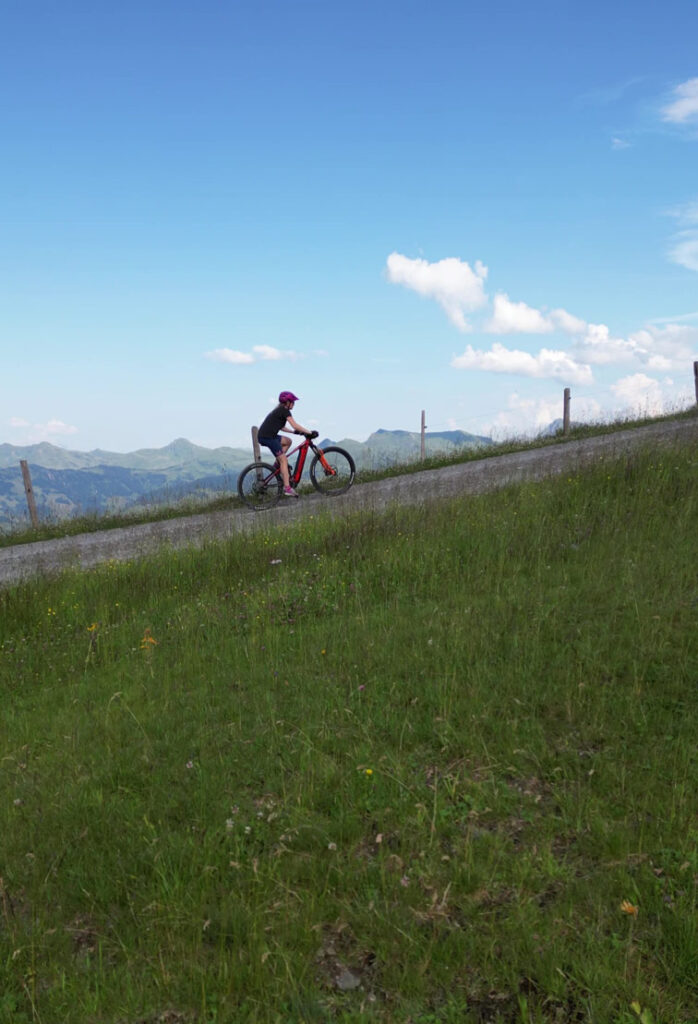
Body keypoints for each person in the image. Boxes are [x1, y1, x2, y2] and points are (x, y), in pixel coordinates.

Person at [257, 391, 318, 497]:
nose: (294, 404)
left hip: (268, 436)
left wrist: (294, 432)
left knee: (288, 441)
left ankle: (278, 463)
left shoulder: (280, 411)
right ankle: (287, 488)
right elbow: (295, 425)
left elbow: (281, 427)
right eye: (292, 402)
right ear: (287, 402)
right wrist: (309, 432)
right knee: (284, 460)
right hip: (268, 437)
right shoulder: (284, 411)